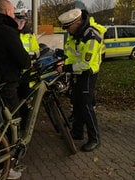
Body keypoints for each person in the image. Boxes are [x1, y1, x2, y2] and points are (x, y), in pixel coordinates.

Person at [0, 0, 31, 179]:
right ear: (8, 11)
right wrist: (28, 60)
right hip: (6, 86)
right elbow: (23, 60)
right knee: (11, 126)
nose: (14, 14)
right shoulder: (6, 30)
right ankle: (1, 168)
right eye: (12, 11)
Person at [56, 8, 106, 152]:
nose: (67, 30)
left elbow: (86, 64)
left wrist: (66, 69)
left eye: (68, 27)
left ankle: (94, 138)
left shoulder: (91, 36)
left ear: (78, 22)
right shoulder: (77, 33)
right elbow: (74, 55)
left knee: (85, 105)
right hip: (77, 72)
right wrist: (65, 62)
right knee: (76, 102)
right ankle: (77, 133)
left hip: (88, 73)